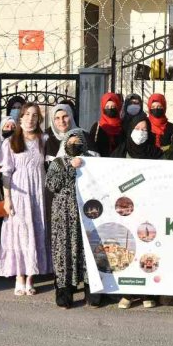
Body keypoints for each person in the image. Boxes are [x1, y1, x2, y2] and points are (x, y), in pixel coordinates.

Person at [111, 114, 163, 309]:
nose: (141, 133)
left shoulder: (155, 153)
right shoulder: (120, 151)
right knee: (128, 249)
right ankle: (128, 293)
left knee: (149, 249)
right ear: (130, 129)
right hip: (126, 210)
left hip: (149, 210)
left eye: (145, 129)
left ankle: (147, 292)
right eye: (137, 129)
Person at [0, 103, 52, 295]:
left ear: (39, 119)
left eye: (34, 115)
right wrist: (7, 198)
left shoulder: (44, 139)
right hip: (18, 192)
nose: (30, 118)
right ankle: (19, 276)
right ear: (20, 118)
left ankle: (31, 276)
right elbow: (6, 172)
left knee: (36, 231)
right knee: (20, 233)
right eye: (27, 114)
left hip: (38, 192)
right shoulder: (10, 142)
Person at [46, 129, 99, 308]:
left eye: (78, 143)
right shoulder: (58, 162)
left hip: (87, 214)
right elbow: (52, 185)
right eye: (71, 142)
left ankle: (91, 288)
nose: (74, 146)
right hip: (64, 215)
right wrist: (70, 167)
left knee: (87, 250)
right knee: (64, 251)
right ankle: (64, 290)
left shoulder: (92, 161)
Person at [87, 92, 124, 157]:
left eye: (113, 106)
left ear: (118, 107)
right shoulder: (97, 127)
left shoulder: (123, 125)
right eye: (107, 107)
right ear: (103, 108)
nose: (110, 109)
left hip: (120, 163)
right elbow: (91, 147)